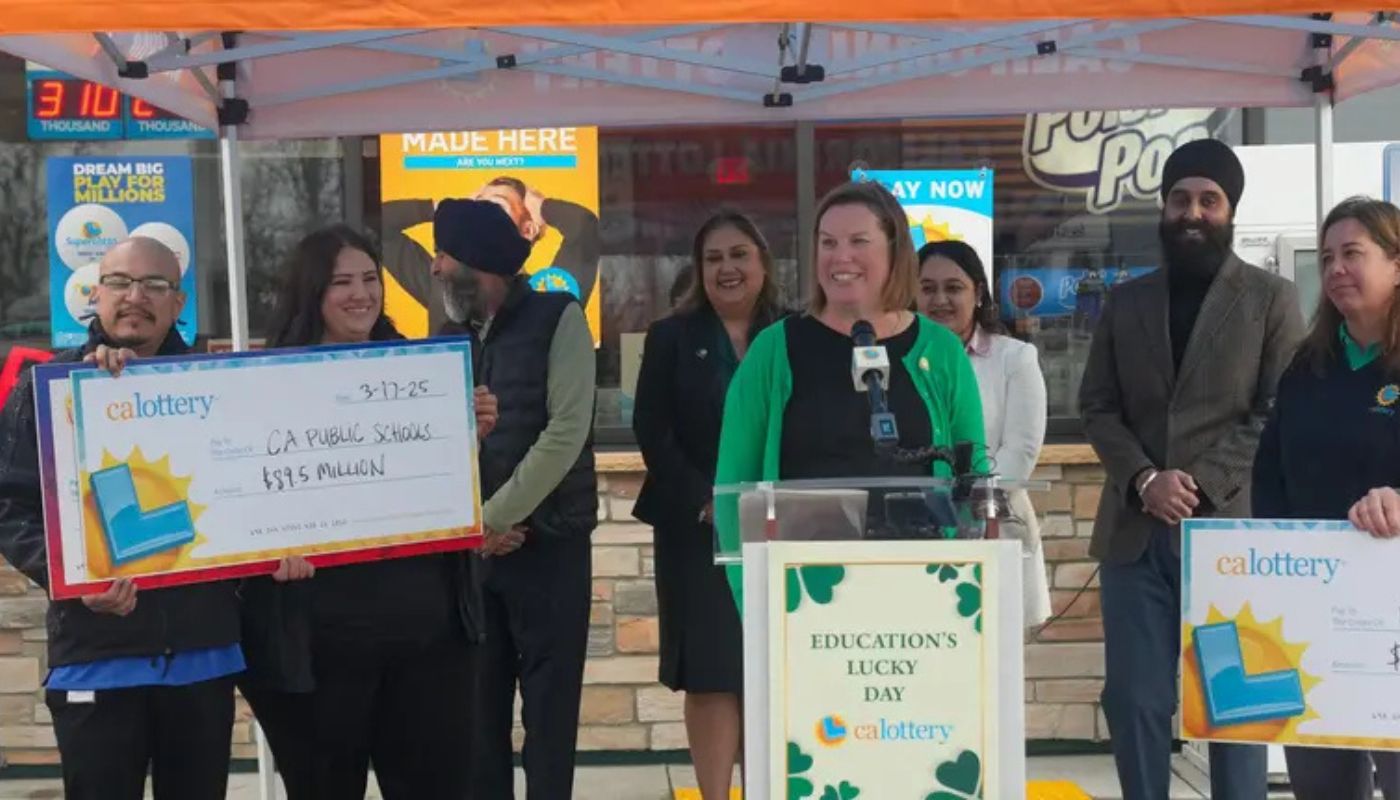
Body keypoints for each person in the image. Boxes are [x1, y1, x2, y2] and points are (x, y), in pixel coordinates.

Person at [0, 237, 308, 800]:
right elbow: (11, 506)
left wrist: (281, 548)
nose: (135, 296)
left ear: (178, 301)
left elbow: (256, 491)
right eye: (119, 282)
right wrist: (72, 578)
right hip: (95, 658)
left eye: (154, 285)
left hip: (202, 658)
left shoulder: (220, 391)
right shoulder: (50, 389)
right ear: (95, 295)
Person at [1079, 138, 1304, 800]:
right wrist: (1146, 478)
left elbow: (1275, 409)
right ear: (1163, 207)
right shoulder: (1127, 302)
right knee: (1135, 702)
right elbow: (1096, 406)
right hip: (1134, 531)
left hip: (1228, 533)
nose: (1193, 213)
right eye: (1180, 199)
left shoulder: (1272, 299)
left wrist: (1198, 480)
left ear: (1230, 210)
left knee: (1234, 706)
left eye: (1209, 200)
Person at [240, 224, 497, 800]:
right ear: (311, 293)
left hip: (427, 634)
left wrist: (468, 437)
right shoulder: (262, 384)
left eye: (369, 279)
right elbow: (244, 499)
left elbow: (446, 494)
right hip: (319, 641)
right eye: (340, 282)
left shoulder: (420, 371)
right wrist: (264, 549)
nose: (360, 293)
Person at [714, 180, 987, 607]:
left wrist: (972, 583)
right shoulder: (774, 350)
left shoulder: (941, 350)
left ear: (894, 251)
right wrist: (752, 598)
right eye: (828, 243)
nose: (840, 257)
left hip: (923, 590)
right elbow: (735, 484)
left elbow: (975, 471)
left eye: (858, 241)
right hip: (804, 595)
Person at [429, 199, 598, 799]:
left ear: (479, 263)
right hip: (476, 559)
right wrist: (472, 531)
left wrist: (492, 518)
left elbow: (567, 431)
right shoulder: (445, 335)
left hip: (549, 546)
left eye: (443, 255)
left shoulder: (560, 316)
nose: (435, 268)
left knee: (550, 723)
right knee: (478, 721)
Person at [1253, 196, 1400, 800]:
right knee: (1320, 782)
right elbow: (1271, 478)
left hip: (1391, 620)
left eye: (1354, 254)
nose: (1337, 268)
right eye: (1329, 255)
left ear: (1396, 264)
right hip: (1317, 619)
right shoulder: (1307, 366)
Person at [633, 210, 784, 798]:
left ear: (763, 263)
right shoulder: (671, 337)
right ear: (699, 270)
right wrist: (707, 502)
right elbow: (653, 427)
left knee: (770, 669)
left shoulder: (793, 335)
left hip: (778, 530)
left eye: (739, 254)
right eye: (714, 258)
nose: (728, 268)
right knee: (713, 672)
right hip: (698, 533)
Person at [918, 240, 1052, 626]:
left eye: (953, 288)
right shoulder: (896, 358)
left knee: (993, 671)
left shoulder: (1015, 358)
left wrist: (967, 508)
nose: (939, 299)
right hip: (918, 534)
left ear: (977, 293)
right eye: (927, 288)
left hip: (994, 529)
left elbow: (1020, 452)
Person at [383, 176, 600, 334]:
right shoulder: (444, 284)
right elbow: (377, 226)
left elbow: (585, 227)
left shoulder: (549, 294)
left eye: (495, 207)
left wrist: (541, 207)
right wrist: (443, 209)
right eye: (476, 206)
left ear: (528, 230)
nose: (477, 217)